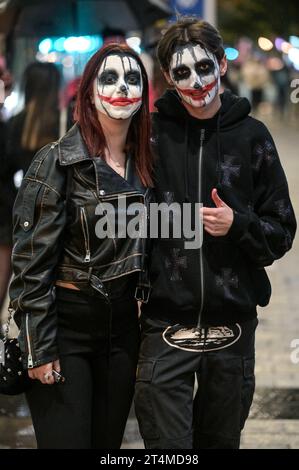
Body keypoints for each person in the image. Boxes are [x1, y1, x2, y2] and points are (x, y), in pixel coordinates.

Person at [134, 17, 297, 449]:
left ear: (222, 65)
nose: (196, 81)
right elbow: (125, 224)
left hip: (233, 331)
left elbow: (282, 231)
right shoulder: (150, 138)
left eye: (204, 67)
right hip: (164, 327)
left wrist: (236, 225)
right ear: (167, 77)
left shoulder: (253, 136)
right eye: (182, 72)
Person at [9, 43, 153, 449]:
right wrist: (38, 345)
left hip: (123, 333)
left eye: (132, 79)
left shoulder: (147, 165)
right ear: (88, 91)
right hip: (66, 329)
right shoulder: (56, 161)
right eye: (109, 78)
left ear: (144, 93)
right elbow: (30, 265)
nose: (122, 87)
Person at [1, 62, 60, 314]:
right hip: (60, 209)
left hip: (24, 211)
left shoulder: (15, 123)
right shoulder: (63, 123)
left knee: (29, 277)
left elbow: (4, 170)